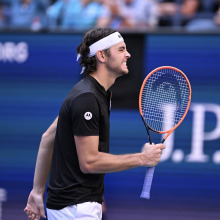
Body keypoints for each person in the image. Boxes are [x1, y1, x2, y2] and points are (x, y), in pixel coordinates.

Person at [24, 27, 166, 220]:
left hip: (72, 208)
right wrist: (142, 158)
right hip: (76, 210)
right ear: (101, 55)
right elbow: (89, 162)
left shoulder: (92, 93)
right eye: (121, 49)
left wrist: (37, 192)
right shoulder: (87, 98)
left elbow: (47, 138)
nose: (128, 54)